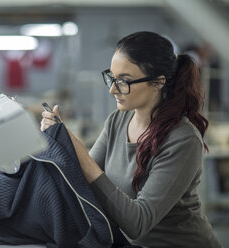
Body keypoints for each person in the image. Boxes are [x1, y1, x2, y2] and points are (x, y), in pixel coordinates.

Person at [40, 31, 222, 248]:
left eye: (124, 81)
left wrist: (78, 151)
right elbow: (82, 183)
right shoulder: (117, 121)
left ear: (158, 82)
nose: (112, 89)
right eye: (112, 77)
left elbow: (137, 222)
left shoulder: (182, 139)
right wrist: (59, 142)